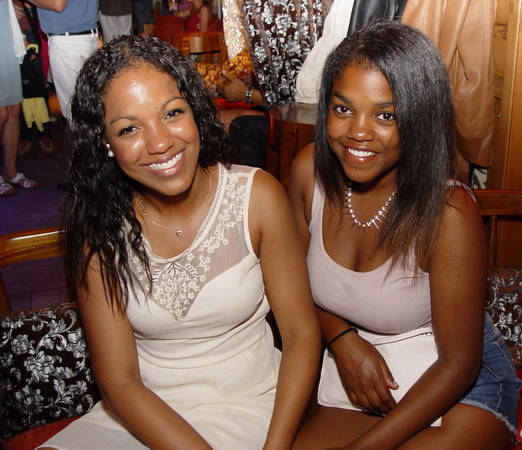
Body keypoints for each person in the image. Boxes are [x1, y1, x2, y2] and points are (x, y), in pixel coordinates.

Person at [39, 35, 320, 449]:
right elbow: (119, 380)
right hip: (140, 414)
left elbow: (300, 335)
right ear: (105, 143)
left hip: (251, 405)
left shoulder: (257, 198)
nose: (160, 143)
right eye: (129, 128)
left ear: (195, 110)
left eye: (172, 113)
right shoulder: (99, 226)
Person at [288, 20, 521, 449]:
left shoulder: (449, 212)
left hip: (456, 386)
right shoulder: (309, 172)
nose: (358, 132)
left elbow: (459, 365)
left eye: (386, 115)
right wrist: (342, 339)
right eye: (343, 109)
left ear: (419, 119)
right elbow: (291, 285)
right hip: (357, 369)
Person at [29, 0, 99, 123]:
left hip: (68, 42)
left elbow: (58, 4)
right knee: (90, 106)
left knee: (76, 114)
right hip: (86, 36)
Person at [1, 0, 39, 196]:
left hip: (7, 40)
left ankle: (11, 172)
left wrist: (21, 35)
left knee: (14, 110)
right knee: (1, 113)